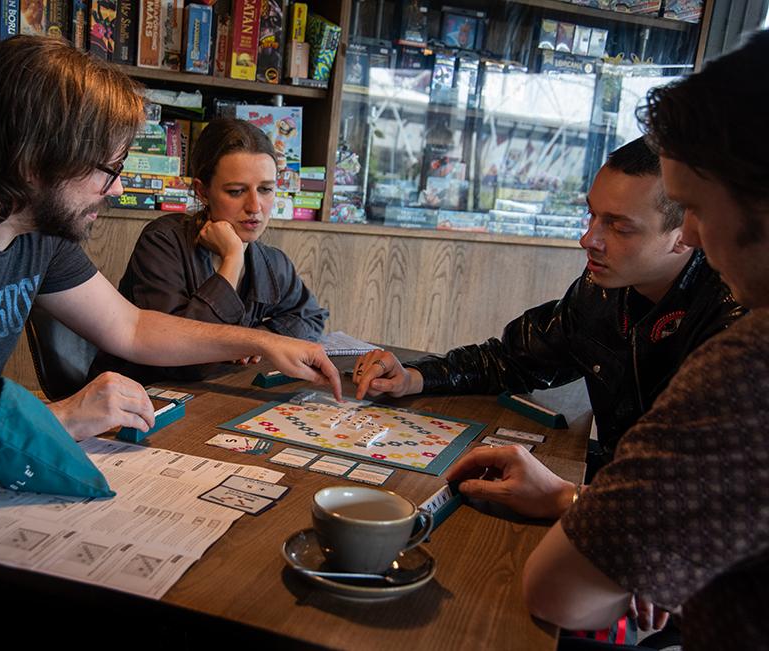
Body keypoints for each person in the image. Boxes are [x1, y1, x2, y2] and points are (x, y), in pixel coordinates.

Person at [0, 36, 340, 540]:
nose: (118, 186)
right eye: (109, 167)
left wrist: (261, 341)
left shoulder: (33, 223)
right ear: (35, 161)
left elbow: (131, 326)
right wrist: (58, 417)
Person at [445, 30, 769, 650]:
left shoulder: (747, 353)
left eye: (695, 206)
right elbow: (516, 355)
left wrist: (582, 506)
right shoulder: (600, 294)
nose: (695, 234)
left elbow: (558, 589)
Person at [353, 137, 743, 476]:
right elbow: (513, 359)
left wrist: (564, 498)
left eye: (619, 227)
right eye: (591, 215)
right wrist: (413, 378)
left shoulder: (734, 324)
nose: (588, 239)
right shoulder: (600, 291)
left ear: (685, 233)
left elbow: (709, 496)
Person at [91, 118, 328, 383]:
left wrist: (260, 340)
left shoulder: (272, 262)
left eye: (265, 189)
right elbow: (177, 357)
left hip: (218, 397)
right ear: (202, 191)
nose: (255, 206)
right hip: (141, 401)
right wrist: (232, 259)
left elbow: (311, 317)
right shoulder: (162, 242)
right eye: (236, 191)